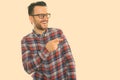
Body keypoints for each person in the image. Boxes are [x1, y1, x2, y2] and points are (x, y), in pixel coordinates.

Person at [21, 1, 76, 80]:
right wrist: (46, 50)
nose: (45, 18)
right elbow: (28, 68)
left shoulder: (58, 33)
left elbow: (69, 61)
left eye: (46, 15)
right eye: (41, 16)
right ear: (31, 18)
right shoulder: (26, 40)